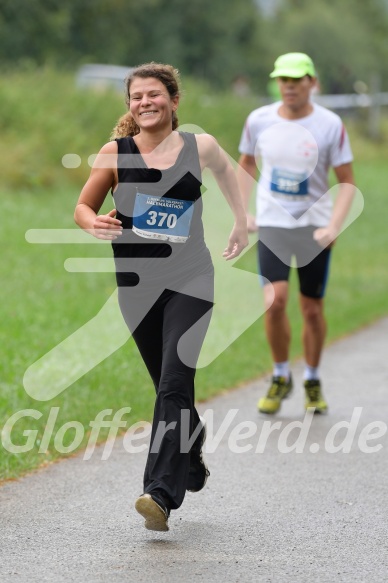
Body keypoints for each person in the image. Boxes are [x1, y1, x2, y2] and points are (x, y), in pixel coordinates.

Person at [74, 62, 248, 531]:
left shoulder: (200, 145)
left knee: (174, 381)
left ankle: (160, 494)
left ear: (173, 100)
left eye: (154, 94)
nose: (145, 102)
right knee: (168, 387)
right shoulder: (114, 153)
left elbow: (230, 175)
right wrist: (95, 224)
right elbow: (83, 207)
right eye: (137, 97)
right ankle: (189, 449)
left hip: (191, 279)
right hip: (136, 286)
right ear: (129, 104)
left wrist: (240, 220)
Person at [237, 52, 355, 415]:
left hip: (314, 227)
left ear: (312, 82)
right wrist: (243, 214)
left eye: (296, 79)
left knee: (312, 308)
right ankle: (280, 374)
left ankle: (313, 379)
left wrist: (334, 224)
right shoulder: (258, 120)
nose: (289, 86)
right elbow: (246, 164)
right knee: (274, 303)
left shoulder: (330, 124)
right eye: (283, 80)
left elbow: (347, 182)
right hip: (273, 223)